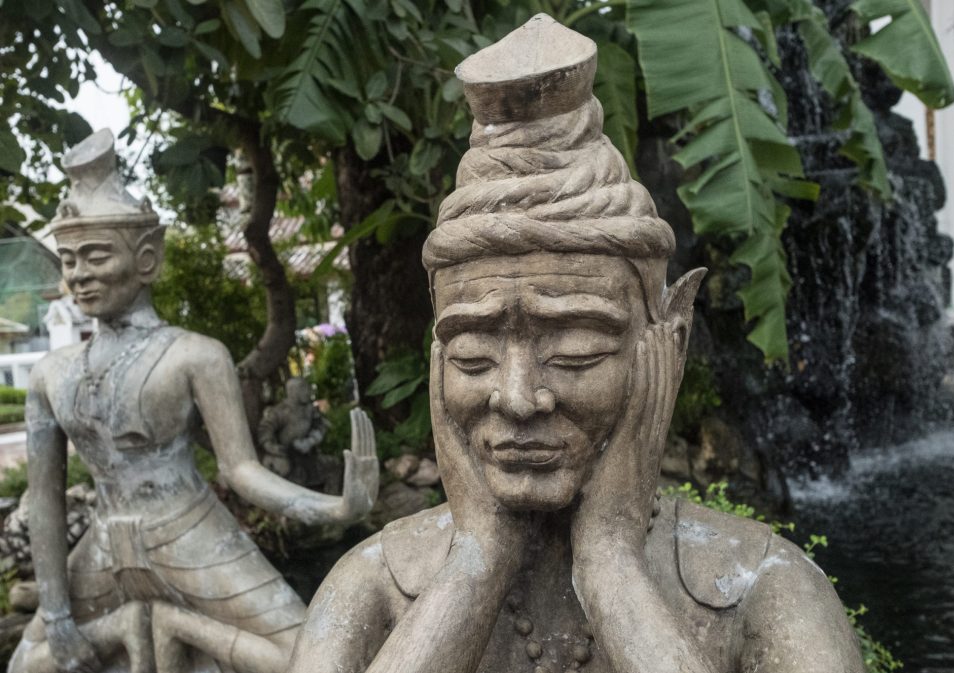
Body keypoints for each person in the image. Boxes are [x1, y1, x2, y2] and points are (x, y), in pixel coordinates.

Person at [290, 15, 863, 673]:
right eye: (473, 357)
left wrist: (612, 566)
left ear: (665, 346)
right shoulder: (372, 585)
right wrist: (476, 561)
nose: (518, 398)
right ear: (437, 361)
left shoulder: (763, 585)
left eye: (575, 355)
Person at [9, 129, 379, 673]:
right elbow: (46, 502)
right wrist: (59, 617)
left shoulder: (196, 357)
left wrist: (335, 507)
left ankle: (174, 626)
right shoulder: (51, 373)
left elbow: (240, 470)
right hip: (104, 547)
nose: (80, 275)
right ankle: (129, 627)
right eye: (68, 261)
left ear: (147, 259)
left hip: (190, 531)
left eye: (95, 256)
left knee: (315, 659)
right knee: (29, 661)